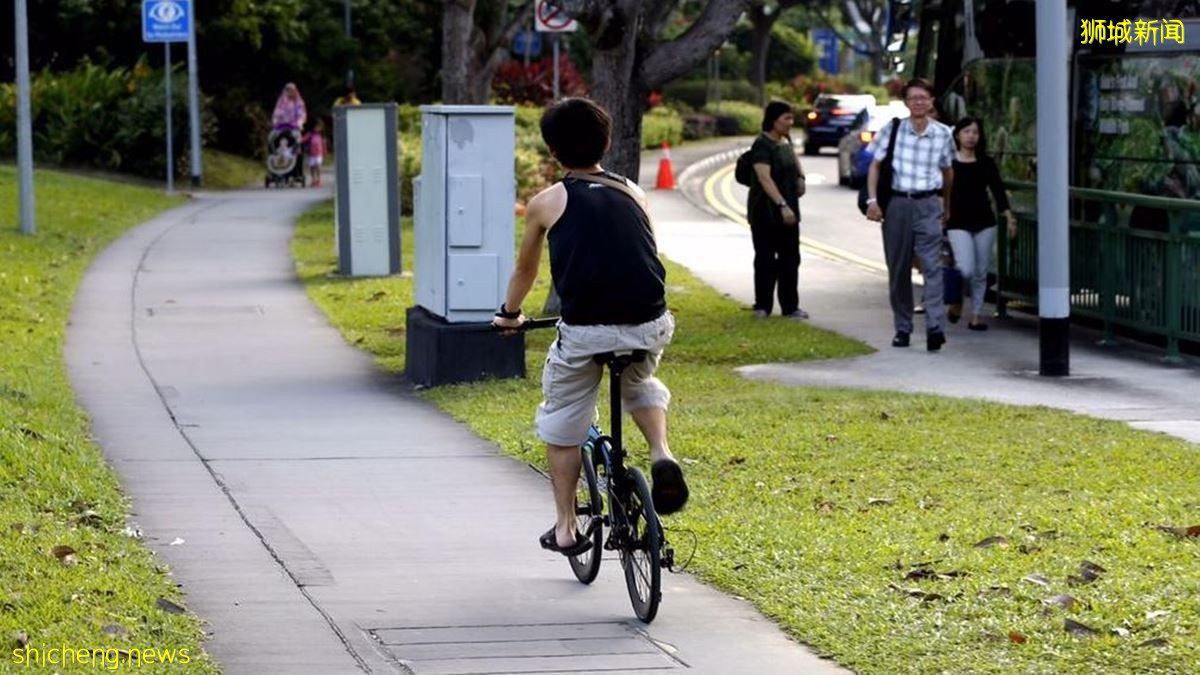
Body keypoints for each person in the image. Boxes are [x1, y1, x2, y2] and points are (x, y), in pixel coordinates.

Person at [492, 97, 688, 557]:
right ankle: (661, 453)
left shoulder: (546, 202)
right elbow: (645, 252)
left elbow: (526, 272)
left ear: (553, 151)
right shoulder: (632, 191)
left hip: (587, 333)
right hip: (650, 323)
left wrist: (510, 313)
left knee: (563, 422)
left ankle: (565, 528)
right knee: (638, 383)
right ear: (607, 141)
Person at [865, 78, 955, 351]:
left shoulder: (943, 134)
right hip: (898, 205)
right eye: (913, 98)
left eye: (923, 98)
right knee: (899, 268)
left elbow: (948, 171)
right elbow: (875, 167)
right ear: (906, 103)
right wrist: (872, 201)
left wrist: (946, 205)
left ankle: (935, 327)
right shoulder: (892, 130)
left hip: (928, 203)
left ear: (931, 102)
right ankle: (902, 327)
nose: (918, 102)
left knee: (932, 267)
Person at [946, 116, 1015, 330]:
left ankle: (975, 316)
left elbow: (998, 190)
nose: (971, 136)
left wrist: (1009, 216)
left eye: (975, 132)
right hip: (957, 222)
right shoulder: (949, 162)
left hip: (985, 222)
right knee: (965, 269)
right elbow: (941, 191)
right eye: (966, 132)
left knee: (980, 272)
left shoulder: (986, 163)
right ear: (958, 135)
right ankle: (957, 300)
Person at [746, 101, 808, 320]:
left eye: (792, 118)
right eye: (786, 118)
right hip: (766, 212)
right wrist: (782, 205)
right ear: (774, 120)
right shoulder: (762, 145)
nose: (791, 123)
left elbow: (794, 159)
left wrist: (801, 178)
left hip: (790, 211)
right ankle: (762, 305)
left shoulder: (784, 141)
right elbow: (764, 178)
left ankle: (791, 307)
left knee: (790, 259)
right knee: (765, 259)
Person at [302, 119, 326, 188]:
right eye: (317, 127)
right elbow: (303, 140)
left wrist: (324, 152)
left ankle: (319, 180)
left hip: (319, 153)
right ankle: (313, 180)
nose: (318, 128)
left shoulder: (321, 135)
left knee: (318, 166)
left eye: (319, 127)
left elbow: (324, 144)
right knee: (312, 167)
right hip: (311, 153)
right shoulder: (310, 134)